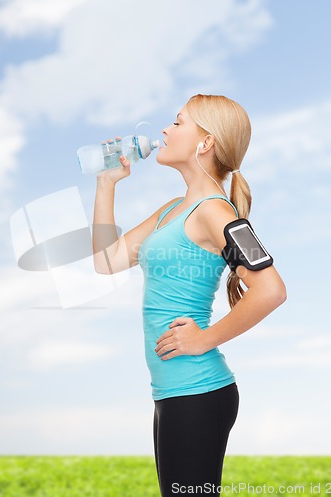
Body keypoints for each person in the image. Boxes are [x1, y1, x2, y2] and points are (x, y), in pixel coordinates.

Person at [92, 94, 287, 497]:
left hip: (198, 392)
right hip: (171, 393)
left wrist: (203, 338)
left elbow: (270, 290)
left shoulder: (217, 212)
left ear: (206, 142)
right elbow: (107, 261)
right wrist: (106, 184)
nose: (165, 130)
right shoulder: (171, 211)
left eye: (178, 123)